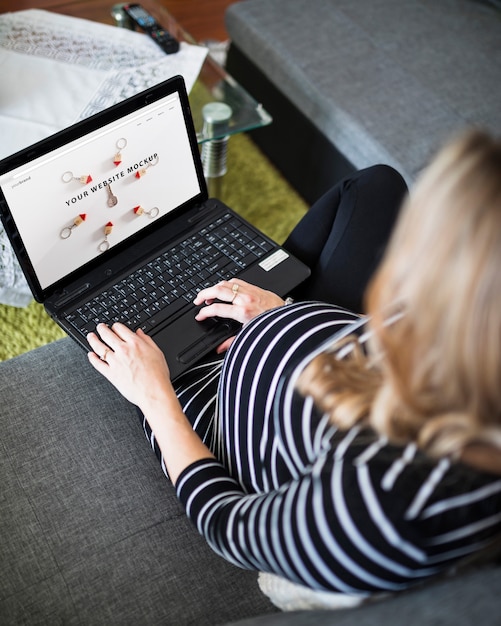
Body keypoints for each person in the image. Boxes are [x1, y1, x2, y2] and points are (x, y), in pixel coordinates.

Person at [86, 129, 501, 598]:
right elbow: (372, 337)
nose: (404, 262)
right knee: (375, 188)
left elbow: (227, 524)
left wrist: (154, 395)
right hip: (288, 327)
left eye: (422, 249)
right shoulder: (475, 343)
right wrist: (280, 313)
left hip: (204, 391)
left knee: (119, 295)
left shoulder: (385, 505)